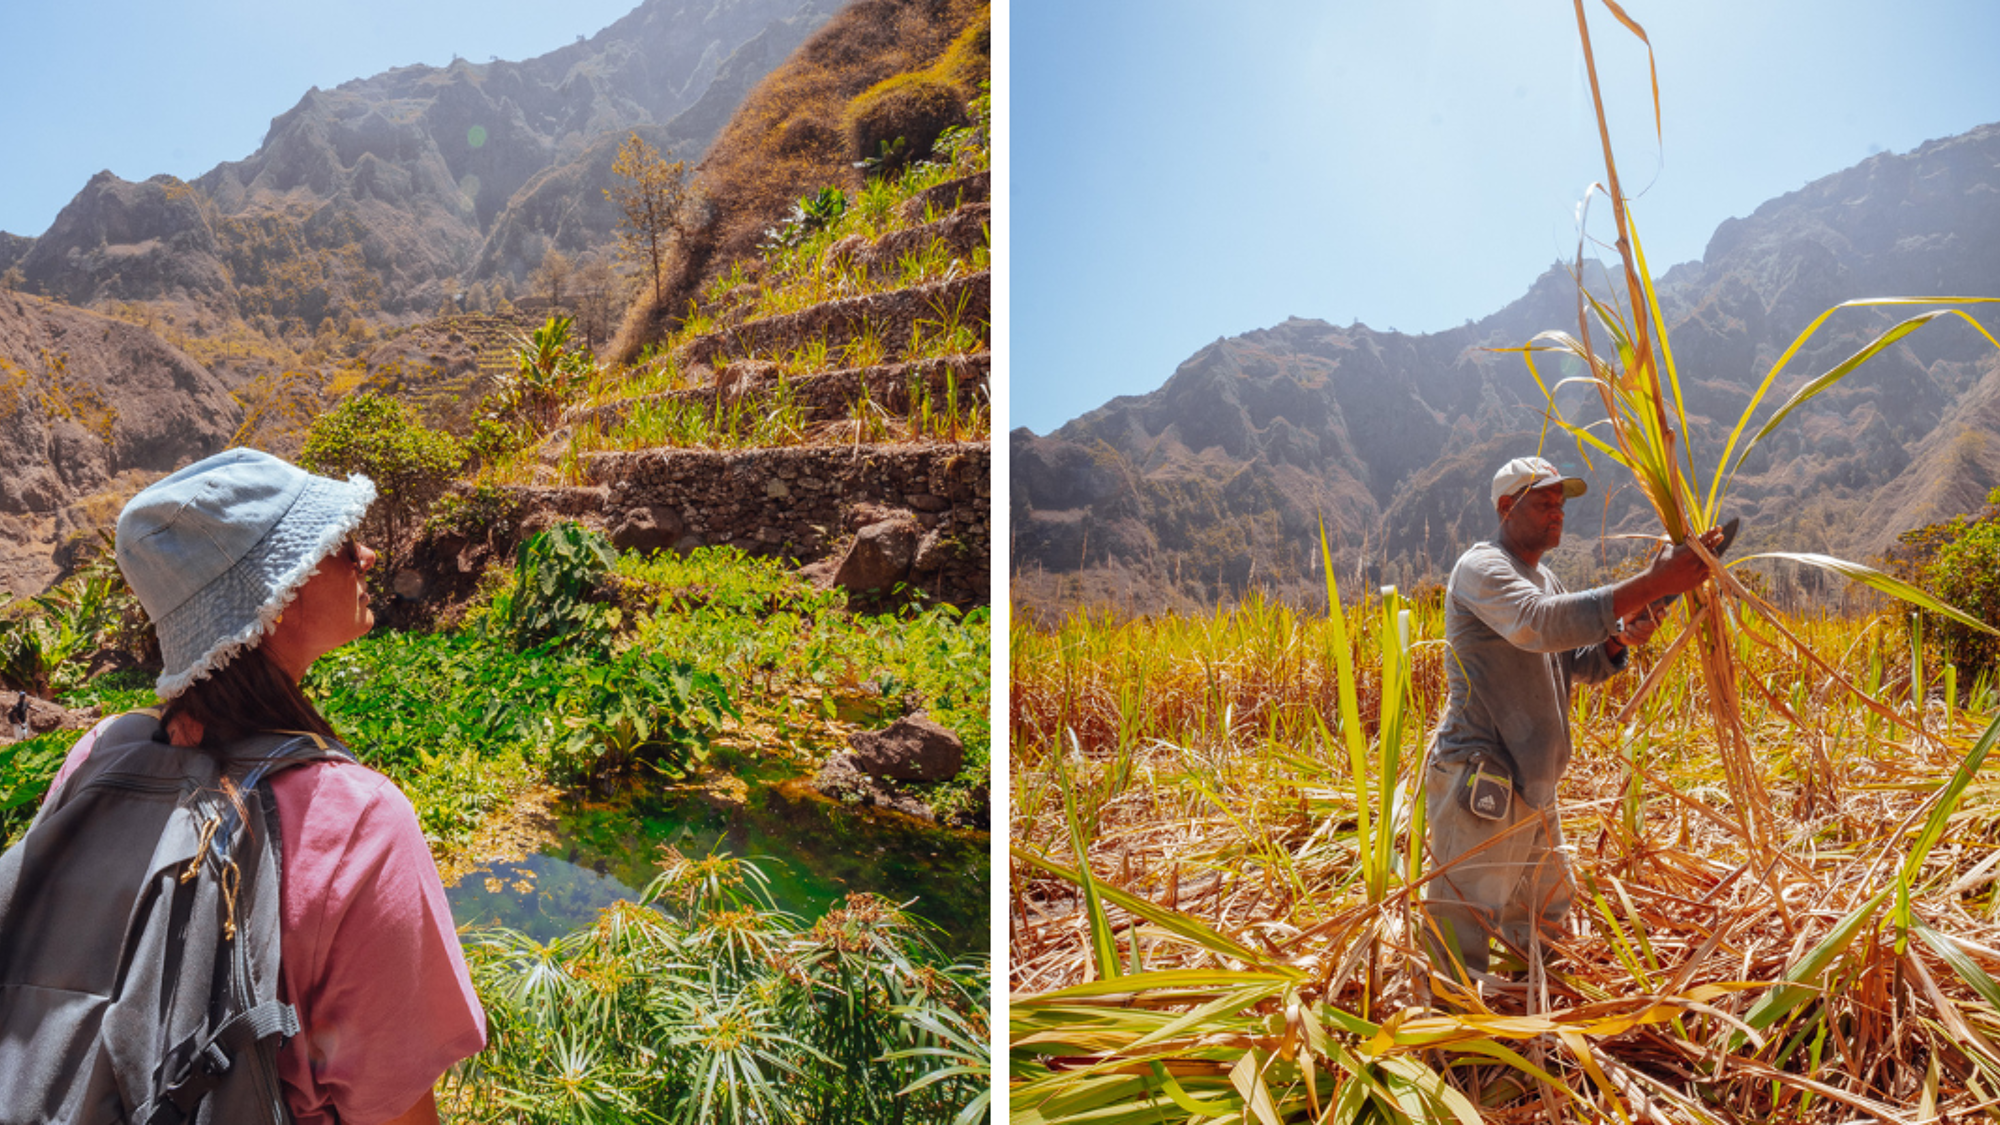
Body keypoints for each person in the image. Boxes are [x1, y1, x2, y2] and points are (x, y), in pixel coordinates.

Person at [39, 449, 486, 1124]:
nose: (366, 556)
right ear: (278, 597)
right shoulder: (359, 823)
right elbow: (397, 1111)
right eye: (339, 543)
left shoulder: (100, 752)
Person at [1423, 455, 1722, 977]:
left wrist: (1618, 639)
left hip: (1536, 782)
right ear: (1505, 507)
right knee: (1461, 928)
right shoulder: (1482, 568)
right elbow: (1538, 626)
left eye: (1560, 503)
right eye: (1543, 502)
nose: (1557, 512)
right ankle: (1451, 1022)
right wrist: (1654, 582)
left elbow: (1576, 662)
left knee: (1545, 915)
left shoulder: (1548, 581)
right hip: (1483, 776)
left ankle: (1532, 1008)